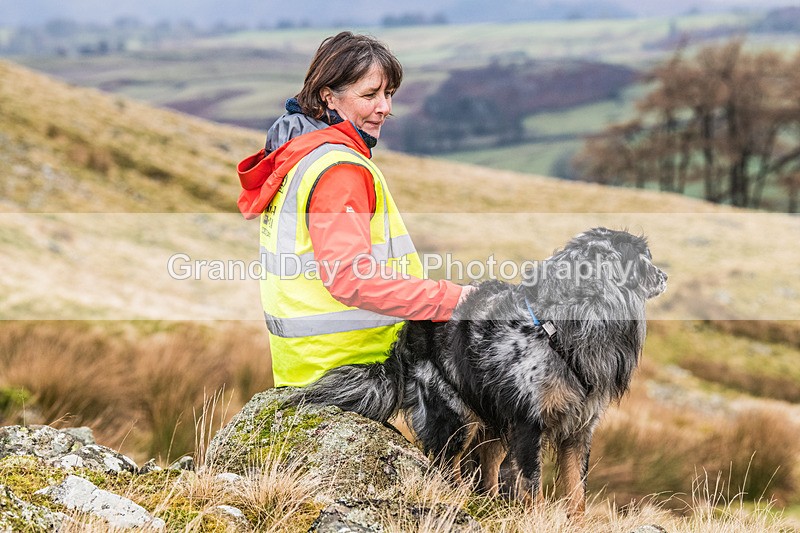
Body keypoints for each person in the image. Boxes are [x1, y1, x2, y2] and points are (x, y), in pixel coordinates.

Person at [236, 31, 472, 388]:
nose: (385, 108)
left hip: (307, 366)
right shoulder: (338, 168)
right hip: (355, 369)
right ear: (328, 97)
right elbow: (351, 277)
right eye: (370, 95)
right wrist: (455, 300)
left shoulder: (298, 156)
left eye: (388, 94)